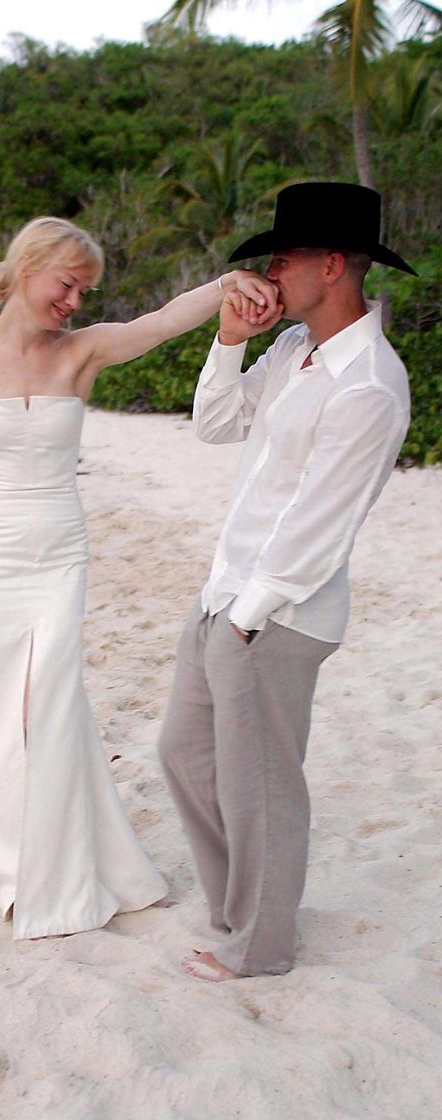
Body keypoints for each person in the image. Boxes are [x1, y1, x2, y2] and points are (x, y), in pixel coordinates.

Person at [0, 216, 276, 940]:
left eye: (86, 291)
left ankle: (52, 866)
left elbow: (158, 323)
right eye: (68, 284)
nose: (75, 303)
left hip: (60, 553)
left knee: (51, 703)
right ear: (27, 267)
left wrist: (225, 287)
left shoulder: (81, 354)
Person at [158, 182, 415, 979]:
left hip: (276, 614)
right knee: (183, 757)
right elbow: (215, 424)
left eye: (284, 257)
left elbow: (320, 524)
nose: (270, 272)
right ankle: (238, 909)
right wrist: (231, 338)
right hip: (225, 592)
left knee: (261, 785)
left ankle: (261, 944)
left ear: (333, 265)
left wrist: (247, 619)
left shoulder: (369, 381)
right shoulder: (293, 350)